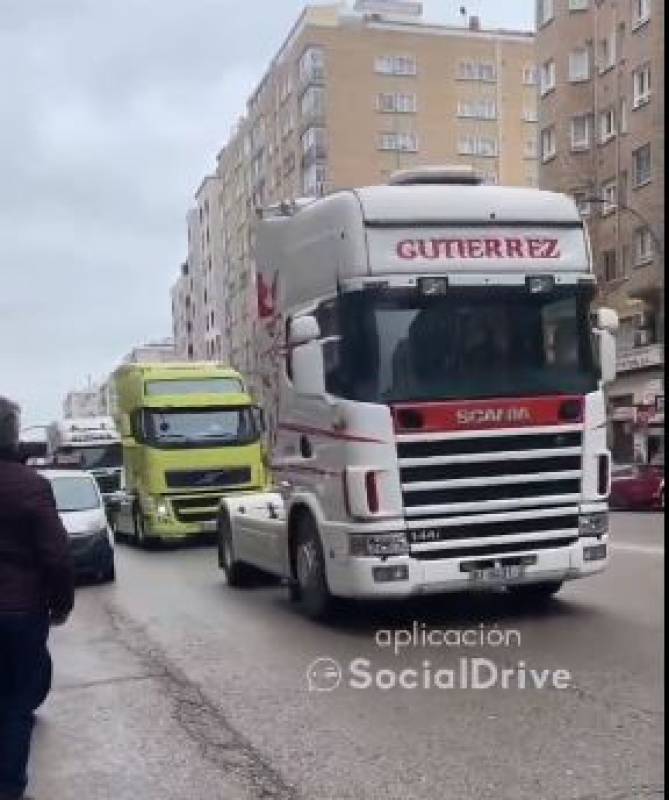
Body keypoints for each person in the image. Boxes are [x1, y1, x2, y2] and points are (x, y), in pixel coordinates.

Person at [0, 396, 74, 800]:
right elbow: (56, 556)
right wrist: (60, 603)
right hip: (20, 613)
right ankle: (9, 788)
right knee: (14, 705)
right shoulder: (30, 486)